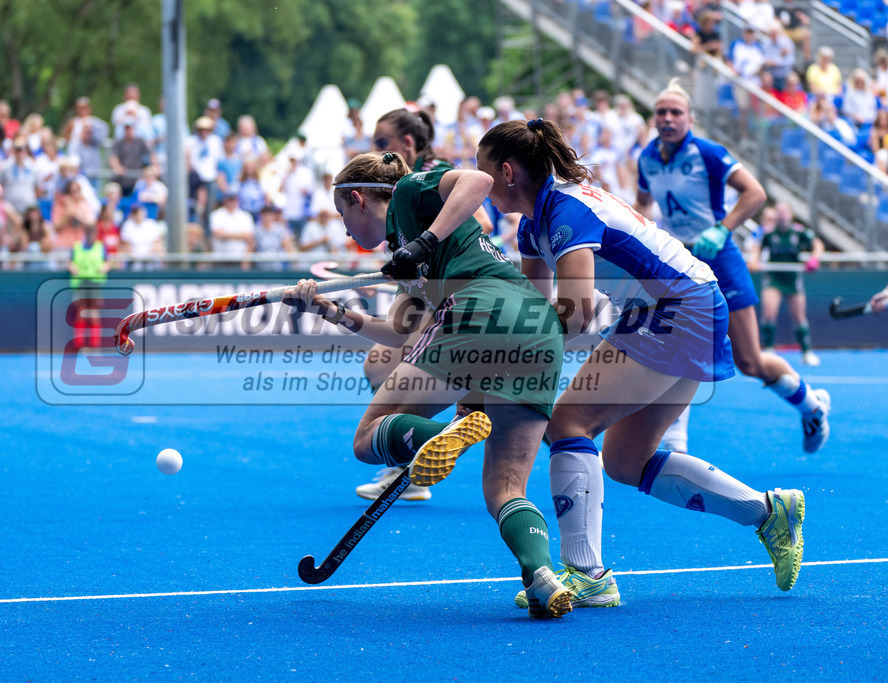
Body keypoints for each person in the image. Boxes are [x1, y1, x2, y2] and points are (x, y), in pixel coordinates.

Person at [477, 118, 807, 610]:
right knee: (626, 461)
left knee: (568, 422)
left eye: (481, 171)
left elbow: (575, 314)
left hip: (679, 305)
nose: (477, 182)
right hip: (679, 304)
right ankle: (768, 511)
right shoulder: (533, 225)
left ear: (506, 172)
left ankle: (587, 575)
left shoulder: (566, 211)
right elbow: (536, 313)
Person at [282, 150, 574, 619]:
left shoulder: (407, 191)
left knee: (367, 438)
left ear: (358, 199)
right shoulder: (406, 256)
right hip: (537, 329)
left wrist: (422, 244)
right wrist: (330, 311)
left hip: (479, 307)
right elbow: (400, 332)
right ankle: (541, 574)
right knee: (505, 487)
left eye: (342, 214)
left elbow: (478, 181)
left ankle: (440, 436)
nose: (346, 230)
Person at [632, 80, 830, 456]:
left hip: (720, 258)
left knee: (750, 361)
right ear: (653, 118)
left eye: (676, 112)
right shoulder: (647, 158)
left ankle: (811, 406)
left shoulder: (708, 153)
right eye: (661, 112)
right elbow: (642, 202)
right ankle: (675, 445)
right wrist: (644, 233)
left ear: (690, 119)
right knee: (674, 346)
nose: (668, 118)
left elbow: (755, 193)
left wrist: (722, 229)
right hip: (677, 261)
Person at [353, 107, 496, 502]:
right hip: (438, 291)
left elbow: (483, 222)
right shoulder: (396, 187)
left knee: (485, 394)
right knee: (378, 363)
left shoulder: (430, 173)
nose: (377, 150)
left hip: (460, 289)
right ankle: (410, 459)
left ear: (407, 143)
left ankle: (568, 438)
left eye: (382, 143)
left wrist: (424, 245)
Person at [750, 202, 824, 366]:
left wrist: (814, 258)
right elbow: (756, 247)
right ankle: (769, 350)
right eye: (779, 212)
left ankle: (807, 352)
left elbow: (818, 245)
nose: (782, 215)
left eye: (785, 212)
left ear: (791, 214)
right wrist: (754, 260)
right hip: (773, 278)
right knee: (769, 315)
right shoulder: (768, 233)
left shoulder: (799, 232)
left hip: (793, 279)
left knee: (799, 317)